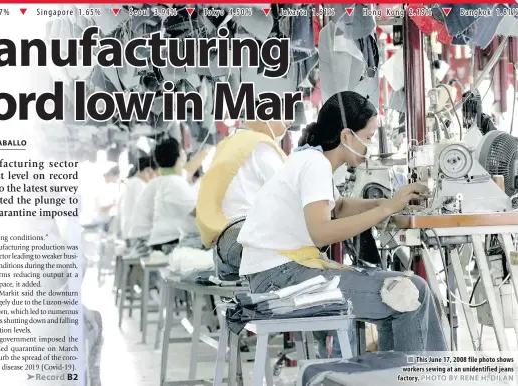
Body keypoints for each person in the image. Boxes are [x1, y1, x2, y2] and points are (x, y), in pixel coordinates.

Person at [237, 91, 448, 353]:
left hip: (276, 273)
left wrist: (390, 204)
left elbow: (339, 207)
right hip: (281, 278)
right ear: (347, 136)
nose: (368, 147)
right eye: (367, 138)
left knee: (400, 292)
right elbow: (321, 233)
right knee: (411, 292)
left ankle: (395, 378)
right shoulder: (315, 165)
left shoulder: (309, 159)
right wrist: (386, 209)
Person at [196, 118, 289, 264]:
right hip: (250, 242)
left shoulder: (228, 144)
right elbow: (289, 192)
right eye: (284, 123)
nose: (285, 128)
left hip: (225, 243)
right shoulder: (261, 146)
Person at [148, 138, 199, 252]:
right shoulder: (174, 182)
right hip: (168, 243)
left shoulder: (166, 180)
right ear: (180, 156)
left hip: (163, 241)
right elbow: (198, 211)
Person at [119, 155, 156, 246]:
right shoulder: (138, 184)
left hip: (131, 232)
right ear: (148, 171)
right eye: (155, 174)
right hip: (136, 234)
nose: (155, 177)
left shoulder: (134, 182)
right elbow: (145, 208)